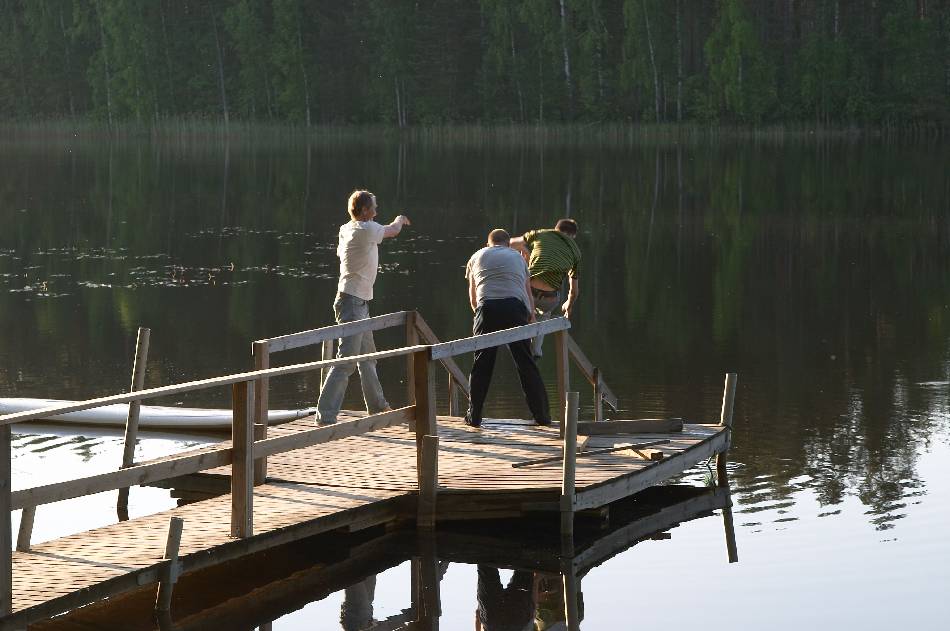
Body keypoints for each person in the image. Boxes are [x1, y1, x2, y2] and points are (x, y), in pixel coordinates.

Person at [316, 190, 411, 425]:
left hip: (357, 301)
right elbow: (393, 230)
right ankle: (325, 416)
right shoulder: (366, 229)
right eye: (374, 208)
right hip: (351, 303)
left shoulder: (347, 228)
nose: (377, 211)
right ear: (366, 211)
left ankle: (377, 406)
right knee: (346, 360)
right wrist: (400, 219)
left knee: (368, 357)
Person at [464, 229, 550, 427]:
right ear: (508, 244)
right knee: (525, 362)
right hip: (515, 308)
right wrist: (530, 316)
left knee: (482, 363)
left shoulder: (476, 256)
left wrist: (482, 317)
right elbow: (527, 292)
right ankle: (542, 416)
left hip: (488, 308)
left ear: (488, 244)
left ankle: (474, 416)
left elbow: (473, 298)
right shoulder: (518, 258)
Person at [509, 219, 581, 358]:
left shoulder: (541, 234)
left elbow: (510, 243)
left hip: (527, 291)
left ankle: (518, 342)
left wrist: (525, 251)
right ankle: (536, 350)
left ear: (556, 229)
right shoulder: (576, 252)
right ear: (573, 236)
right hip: (550, 298)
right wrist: (568, 305)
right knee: (544, 314)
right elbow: (574, 291)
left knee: (523, 308)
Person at [474, 565, 536, 631]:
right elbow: (477, 614)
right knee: (486, 569)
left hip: (517, 620)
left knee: (525, 570)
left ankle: (526, 561)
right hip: (492, 619)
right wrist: (481, 607)